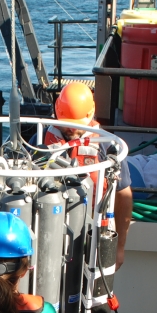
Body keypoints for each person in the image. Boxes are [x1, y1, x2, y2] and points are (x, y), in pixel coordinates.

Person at [44, 83, 133, 268]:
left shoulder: (107, 146)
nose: (70, 130)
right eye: (66, 124)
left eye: (75, 125)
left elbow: (124, 195)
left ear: (90, 114)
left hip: (93, 232)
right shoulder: (39, 142)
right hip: (50, 230)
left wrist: (119, 247)